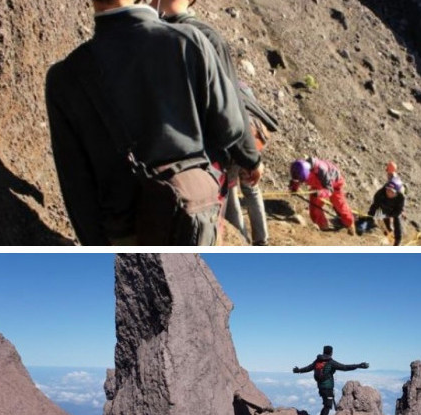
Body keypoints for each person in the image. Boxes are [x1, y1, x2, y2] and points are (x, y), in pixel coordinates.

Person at [45, 0, 263, 245]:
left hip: (126, 234)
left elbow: (77, 188)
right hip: (195, 217)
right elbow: (231, 128)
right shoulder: (190, 41)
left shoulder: (64, 78)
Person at [152, 0, 269, 245]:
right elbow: (230, 109)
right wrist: (251, 159)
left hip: (147, 169)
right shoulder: (205, 37)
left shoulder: (134, 33)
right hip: (200, 168)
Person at [292, 345, 369, 415]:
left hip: (321, 387)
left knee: (326, 405)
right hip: (327, 388)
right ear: (331, 352)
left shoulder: (318, 361)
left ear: (324, 351)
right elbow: (344, 367)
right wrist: (359, 365)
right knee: (327, 406)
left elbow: (308, 368)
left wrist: (298, 370)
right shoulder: (330, 362)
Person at [289, 158, 355, 235]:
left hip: (334, 184)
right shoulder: (299, 167)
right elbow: (297, 179)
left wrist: (319, 193)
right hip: (317, 185)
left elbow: (329, 191)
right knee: (314, 209)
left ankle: (350, 224)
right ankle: (323, 227)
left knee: (340, 206)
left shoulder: (322, 170)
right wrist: (294, 188)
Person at [358, 177, 406, 245]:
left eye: (392, 192)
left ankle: (397, 241)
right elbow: (374, 206)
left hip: (394, 209)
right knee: (375, 213)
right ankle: (367, 224)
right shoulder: (381, 193)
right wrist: (371, 216)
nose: (389, 193)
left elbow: (398, 211)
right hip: (384, 205)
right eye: (388, 190)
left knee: (397, 221)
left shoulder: (401, 197)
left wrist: (388, 215)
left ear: (397, 193)